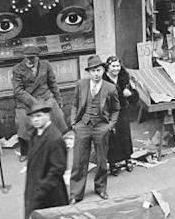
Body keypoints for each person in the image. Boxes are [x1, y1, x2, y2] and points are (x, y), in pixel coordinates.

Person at [22, 102, 69, 219]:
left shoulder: (54, 137)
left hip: (50, 191)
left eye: (39, 116)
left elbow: (58, 168)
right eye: (33, 117)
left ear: (48, 116)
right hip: (35, 185)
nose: (35, 120)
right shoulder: (36, 134)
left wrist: (42, 188)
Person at [68, 55, 119, 202]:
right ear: (89, 73)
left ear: (103, 70)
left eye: (98, 70)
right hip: (82, 126)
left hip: (101, 127)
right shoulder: (81, 84)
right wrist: (74, 123)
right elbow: (75, 105)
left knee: (102, 160)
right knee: (78, 160)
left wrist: (110, 126)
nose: (96, 74)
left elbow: (116, 109)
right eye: (92, 71)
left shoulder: (110, 88)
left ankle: (101, 188)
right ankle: (75, 194)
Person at [11, 46, 65, 163]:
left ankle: (56, 145)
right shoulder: (17, 69)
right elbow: (18, 91)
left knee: (57, 115)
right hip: (27, 100)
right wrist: (34, 103)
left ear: (37, 57)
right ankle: (25, 151)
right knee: (22, 121)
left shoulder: (46, 65)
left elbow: (53, 83)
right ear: (24, 58)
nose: (30, 61)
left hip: (45, 96)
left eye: (32, 58)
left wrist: (59, 99)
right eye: (27, 58)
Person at [104, 56, 135, 175]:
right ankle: (113, 163)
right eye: (113, 66)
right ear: (108, 67)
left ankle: (128, 159)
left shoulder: (124, 78)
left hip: (122, 111)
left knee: (125, 134)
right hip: (109, 112)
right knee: (112, 137)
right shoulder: (104, 79)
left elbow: (134, 94)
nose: (116, 68)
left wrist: (130, 94)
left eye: (118, 66)